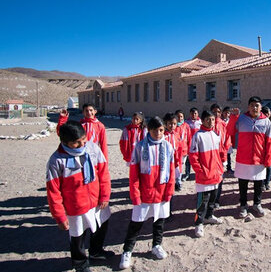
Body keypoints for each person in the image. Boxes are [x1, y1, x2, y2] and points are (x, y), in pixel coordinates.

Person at [47, 121, 112, 272]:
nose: (82, 144)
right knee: (78, 237)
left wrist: (105, 195)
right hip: (75, 207)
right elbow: (53, 191)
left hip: (97, 201)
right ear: (64, 142)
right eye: (76, 143)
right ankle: (80, 264)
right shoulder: (56, 161)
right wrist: (60, 216)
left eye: (84, 139)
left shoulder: (92, 149)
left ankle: (96, 251)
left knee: (101, 226)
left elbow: (103, 173)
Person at [119, 116, 175, 269]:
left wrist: (169, 191)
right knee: (136, 224)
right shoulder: (140, 147)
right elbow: (134, 174)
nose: (158, 133)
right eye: (155, 130)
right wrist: (135, 194)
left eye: (161, 130)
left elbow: (171, 171)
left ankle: (156, 245)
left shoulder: (168, 147)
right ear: (148, 130)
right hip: (145, 193)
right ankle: (127, 251)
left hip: (162, 193)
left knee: (159, 222)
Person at [226, 96, 271, 218]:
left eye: (257, 105)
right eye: (252, 105)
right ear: (248, 107)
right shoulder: (241, 119)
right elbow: (229, 131)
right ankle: (243, 205)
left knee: (259, 184)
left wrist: (268, 159)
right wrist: (234, 117)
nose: (254, 108)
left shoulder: (266, 121)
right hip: (243, 158)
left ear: (261, 107)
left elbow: (270, 142)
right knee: (243, 184)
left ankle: (257, 204)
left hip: (259, 158)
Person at [189, 111, 226, 237]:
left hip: (216, 173)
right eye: (208, 120)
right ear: (203, 121)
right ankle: (198, 222)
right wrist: (200, 171)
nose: (210, 122)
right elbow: (193, 156)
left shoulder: (215, 134)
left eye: (212, 120)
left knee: (213, 198)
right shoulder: (197, 136)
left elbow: (221, 151)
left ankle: (209, 216)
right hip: (204, 175)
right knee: (202, 201)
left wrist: (222, 166)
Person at [210, 104, 231, 208]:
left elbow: (227, 138)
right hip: (209, 156)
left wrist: (225, 150)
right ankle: (210, 198)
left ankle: (216, 199)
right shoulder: (207, 124)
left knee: (220, 178)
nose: (216, 114)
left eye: (218, 111)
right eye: (214, 111)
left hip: (221, 155)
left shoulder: (223, 124)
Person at [163, 113, 183, 191]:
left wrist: (179, 158)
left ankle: (176, 184)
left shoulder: (177, 134)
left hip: (176, 159)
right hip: (166, 160)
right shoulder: (163, 136)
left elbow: (180, 147)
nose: (172, 126)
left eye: (174, 124)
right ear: (166, 124)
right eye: (170, 124)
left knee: (175, 174)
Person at [261, 106, 271, 190]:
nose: (267, 114)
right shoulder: (260, 122)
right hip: (262, 147)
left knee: (269, 166)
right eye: (265, 112)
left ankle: (267, 183)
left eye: (268, 112)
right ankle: (262, 183)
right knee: (262, 166)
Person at [184, 107, 202, 180]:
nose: (194, 115)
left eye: (195, 113)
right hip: (190, 143)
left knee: (199, 159)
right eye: (192, 113)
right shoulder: (186, 123)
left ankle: (198, 173)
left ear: (197, 114)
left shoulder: (200, 122)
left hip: (198, 143)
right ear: (190, 114)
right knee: (188, 159)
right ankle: (187, 173)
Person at [175, 110, 191, 181]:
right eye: (178, 116)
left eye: (181, 116)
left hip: (184, 150)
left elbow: (189, 138)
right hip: (175, 150)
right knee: (175, 165)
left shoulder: (186, 126)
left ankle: (179, 180)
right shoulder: (173, 126)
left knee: (181, 164)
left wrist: (189, 148)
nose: (179, 118)